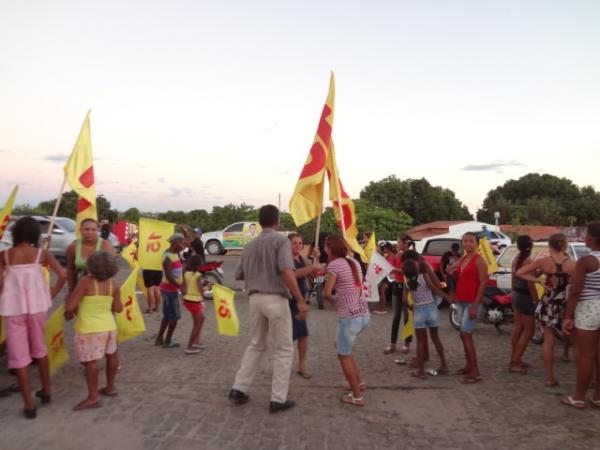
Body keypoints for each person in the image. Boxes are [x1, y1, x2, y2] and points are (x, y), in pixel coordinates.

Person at [228, 205, 307, 414]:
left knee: (255, 344)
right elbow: (286, 271)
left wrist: (258, 271)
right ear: (277, 221)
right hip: (275, 299)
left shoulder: (251, 244)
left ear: (260, 221)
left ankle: (239, 388)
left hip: (255, 299)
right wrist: (300, 299)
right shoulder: (281, 240)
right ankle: (278, 398)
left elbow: (238, 274)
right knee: (283, 349)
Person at [0, 217, 66, 419]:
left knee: (19, 357)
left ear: (16, 233)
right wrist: (52, 293)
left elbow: (1, 283)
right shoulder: (42, 254)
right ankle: (46, 391)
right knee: (40, 349)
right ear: (35, 234)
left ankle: (28, 405)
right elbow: (63, 275)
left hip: (13, 309)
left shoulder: (5, 256)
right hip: (37, 308)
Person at [516, 233, 575, 387]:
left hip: (548, 304)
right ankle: (588, 378)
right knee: (575, 341)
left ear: (549, 245)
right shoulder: (573, 264)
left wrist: (538, 280)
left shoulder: (543, 262)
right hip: (566, 305)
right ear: (564, 245)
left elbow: (520, 273)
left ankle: (549, 378)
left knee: (549, 341)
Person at [65, 251, 121, 411]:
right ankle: (110, 387)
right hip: (109, 327)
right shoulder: (114, 285)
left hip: (89, 329)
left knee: (90, 362)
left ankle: (93, 397)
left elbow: (70, 306)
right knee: (112, 357)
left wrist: (70, 299)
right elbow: (118, 308)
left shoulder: (85, 282)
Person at [323, 234, 370, 407]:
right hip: (363, 313)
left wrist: (335, 300)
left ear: (329, 248)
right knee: (345, 350)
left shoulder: (334, 264)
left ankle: (357, 396)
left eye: (325, 247)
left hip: (349, 317)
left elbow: (327, 293)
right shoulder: (353, 262)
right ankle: (358, 383)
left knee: (343, 354)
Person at [561, 222, 600, 409]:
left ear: (591, 238)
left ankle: (579, 397)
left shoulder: (586, 261)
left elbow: (575, 291)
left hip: (588, 308)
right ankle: (598, 396)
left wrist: (568, 316)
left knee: (586, 355)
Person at [448, 232, 488, 384]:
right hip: (461, 301)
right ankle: (468, 365)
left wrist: (475, 306)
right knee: (463, 335)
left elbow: (483, 283)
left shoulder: (479, 261)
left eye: (471, 241)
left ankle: (475, 372)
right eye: (465, 241)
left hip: (472, 302)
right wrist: (451, 273)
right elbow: (459, 278)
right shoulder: (462, 259)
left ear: (477, 243)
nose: (468, 244)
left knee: (466, 334)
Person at [402, 258, 451, 379]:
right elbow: (434, 289)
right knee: (436, 338)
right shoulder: (424, 277)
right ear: (416, 268)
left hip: (419, 311)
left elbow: (404, 300)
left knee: (420, 341)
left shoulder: (407, 283)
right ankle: (444, 365)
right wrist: (447, 297)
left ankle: (421, 371)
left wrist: (411, 307)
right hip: (431, 309)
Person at [287, 233, 322, 378]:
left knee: (303, 336)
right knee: (288, 338)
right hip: (288, 302)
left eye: (300, 243)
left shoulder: (302, 258)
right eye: (294, 243)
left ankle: (301, 366)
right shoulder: (286, 260)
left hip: (300, 302)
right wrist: (313, 267)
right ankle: (283, 366)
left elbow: (315, 274)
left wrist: (317, 258)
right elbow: (293, 274)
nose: (298, 246)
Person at [509, 235, 538, 374]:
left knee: (519, 328)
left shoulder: (516, 259)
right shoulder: (529, 261)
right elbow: (531, 284)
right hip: (525, 296)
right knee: (529, 331)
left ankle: (515, 358)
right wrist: (536, 300)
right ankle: (515, 361)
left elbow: (513, 278)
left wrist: (512, 293)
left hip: (516, 294)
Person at [383, 235, 415, 353]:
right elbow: (391, 267)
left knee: (407, 317)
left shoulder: (410, 256)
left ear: (406, 244)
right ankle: (392, 344)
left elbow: (410, 271)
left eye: (399, 242)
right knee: (396, 317)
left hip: (407, 287)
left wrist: (395, 270)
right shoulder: (397, 255)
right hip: (397, 285)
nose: (397, 243)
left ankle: (407, 344)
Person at [155, 234, 186, 348]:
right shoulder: (168, 255)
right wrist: (180, 287)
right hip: (170, 290)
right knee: (174, 317)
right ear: (175, 243)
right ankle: (167, 341)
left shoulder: (175, 253)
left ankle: (159, 338)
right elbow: (168, 275)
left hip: (169, 289)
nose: (183, 246)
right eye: (181, 243)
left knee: (167, 315)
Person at [66, 218, 113, 292]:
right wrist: (71, 290)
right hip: (79, 288)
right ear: (80, 230)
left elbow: (110, 269)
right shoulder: (73, 246)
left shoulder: (105, 245)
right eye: (86, 229)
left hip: (100, 287)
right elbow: (70, 269)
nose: (90, 232)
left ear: (98, 230)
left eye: (93, 229)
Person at [181, 254, 211, 355]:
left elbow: (184, 288)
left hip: (188, 300)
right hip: (195, 301)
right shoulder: (198, 275)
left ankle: (196, 342)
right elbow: (200, 290)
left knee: (201, 319)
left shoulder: (186, 274)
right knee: (197, 324)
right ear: (199, 265)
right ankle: (189, 347)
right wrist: (207, 288)